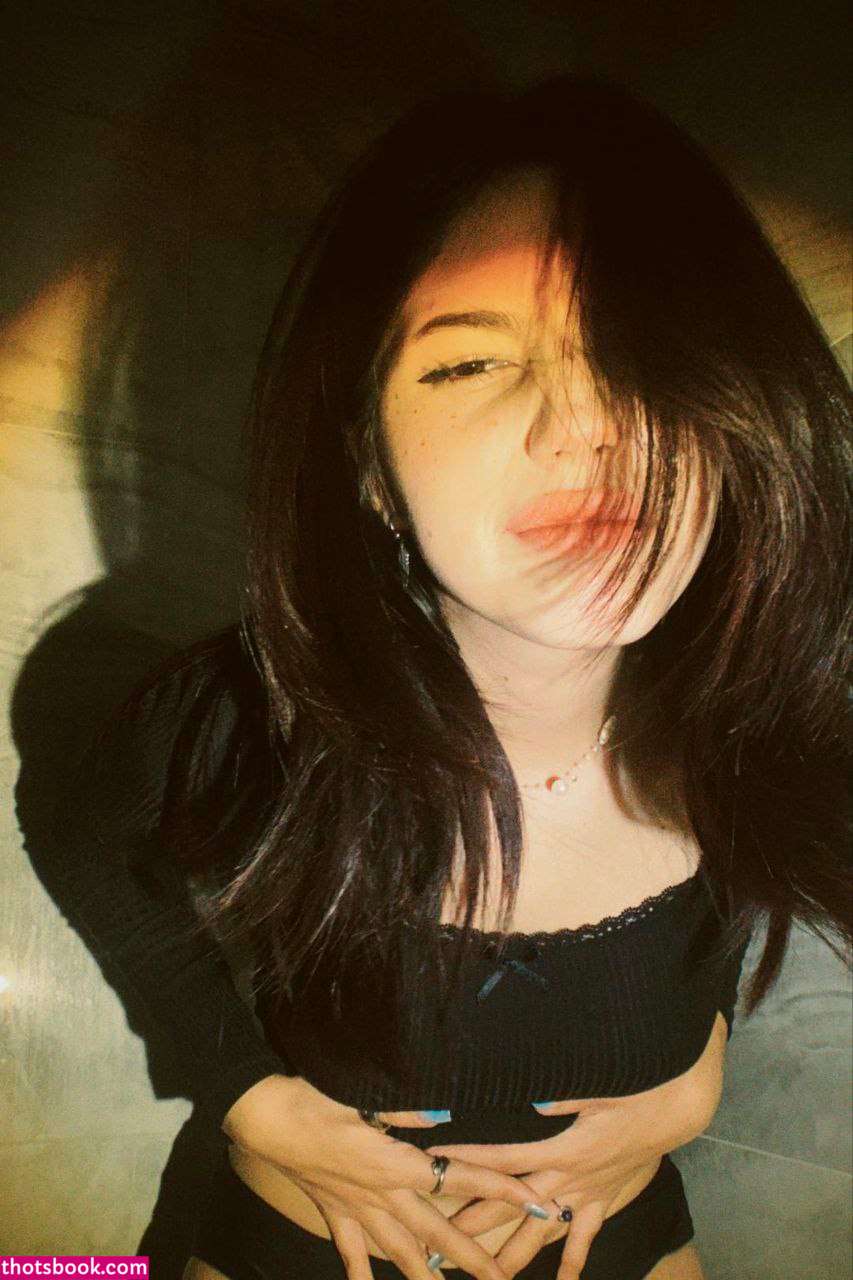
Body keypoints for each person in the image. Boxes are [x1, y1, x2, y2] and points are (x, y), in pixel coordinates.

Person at [51, 75, 851, 1280]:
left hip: (611, 1235)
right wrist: (241, 1091)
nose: (582, 417)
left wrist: (698, 1068)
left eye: (642, 347)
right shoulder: (245, 715)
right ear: (370, 467)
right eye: (469, 363)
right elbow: (86, 839)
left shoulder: (760, 712)